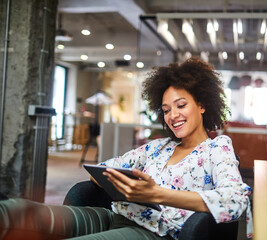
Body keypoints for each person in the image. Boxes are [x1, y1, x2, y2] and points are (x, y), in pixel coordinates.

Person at [0, 58, 253, 239]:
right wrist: (115, 182)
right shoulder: (158, 147)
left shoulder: (217, 148)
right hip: (115, 216)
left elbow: (235, 201)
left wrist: (156, 194)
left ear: (202, 105)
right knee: (14, 211)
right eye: (166, 110)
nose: (172, 115)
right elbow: (104, 169)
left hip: (158, 231)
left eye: (181, 105)